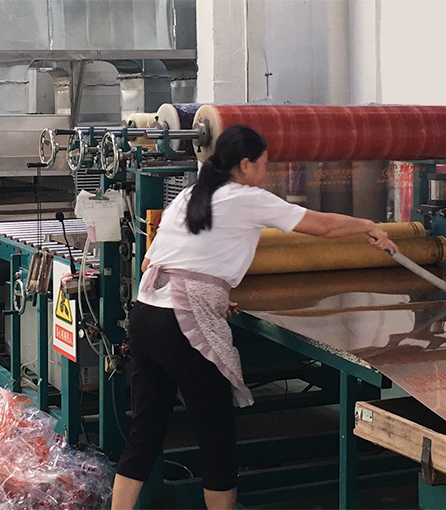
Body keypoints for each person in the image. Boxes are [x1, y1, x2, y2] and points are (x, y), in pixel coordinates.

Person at [111, 125, 398, 510]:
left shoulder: (188, 196)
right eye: (263, 165)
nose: (266, 172)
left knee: (144, 434)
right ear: (245, 165)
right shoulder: (247, 198)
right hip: (183, 325)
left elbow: (151, 262)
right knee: (216, 439)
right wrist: (368, 226)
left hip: (147, 315)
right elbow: (321, 226)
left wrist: (214, 295)